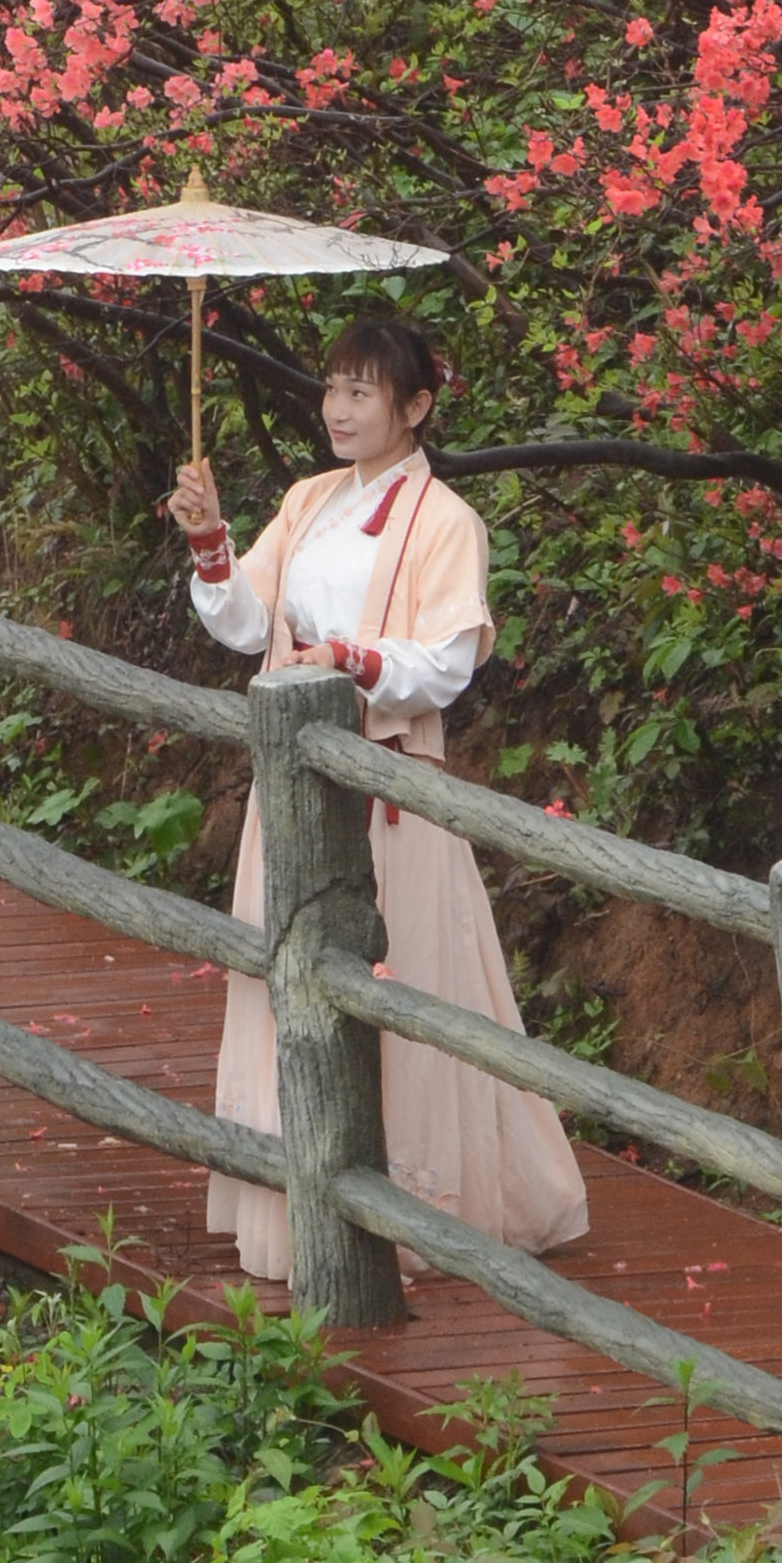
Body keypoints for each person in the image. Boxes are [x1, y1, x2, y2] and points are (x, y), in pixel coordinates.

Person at [165, 313, 590, 1284]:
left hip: (385, 777)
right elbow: (246, 623)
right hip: (295, 774)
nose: (338, 408)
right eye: (332, 387)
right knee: (289, 982)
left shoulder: (445, 520)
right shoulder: (311, 497)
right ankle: (295, 1190)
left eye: (363, 390)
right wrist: (209, 541)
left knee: (402, 986)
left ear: (416, 407)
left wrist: (344, 660)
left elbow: (442, 665)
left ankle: (403, 1210)